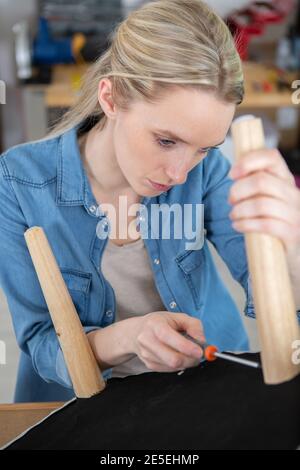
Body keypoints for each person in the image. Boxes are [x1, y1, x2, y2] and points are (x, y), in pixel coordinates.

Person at [0, 0, 299, 402]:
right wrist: (127, 337)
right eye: (165, 140)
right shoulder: (19, 182)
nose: (179, 174)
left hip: (205, 383)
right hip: (79, 404)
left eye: (204, 149)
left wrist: (291, 247)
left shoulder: (205, 173)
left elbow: (270, 298)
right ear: (111, 98)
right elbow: (40, 342)